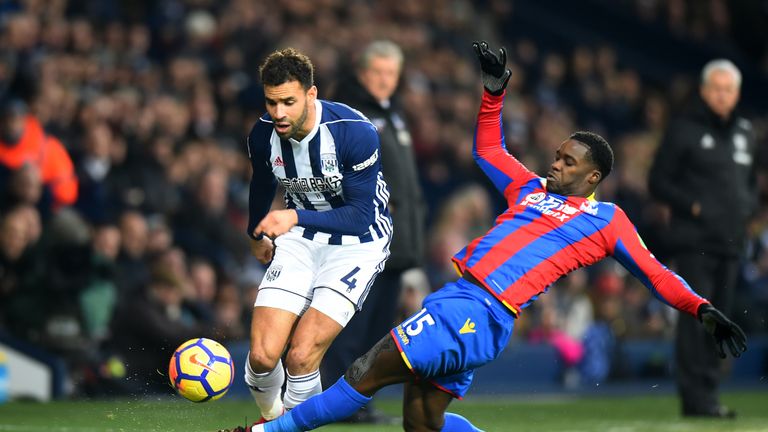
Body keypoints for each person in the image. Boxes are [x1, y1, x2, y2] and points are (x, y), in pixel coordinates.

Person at [219, 41, 747, 432]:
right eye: (557, 154)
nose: (554, 162)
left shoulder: (608, 220)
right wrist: (494, 93)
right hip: (466, 305)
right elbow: (488, 152)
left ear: (593, 177)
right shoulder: (529, 189)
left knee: (365, 370)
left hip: (480, 309)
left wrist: (701, 308)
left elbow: (654, 274)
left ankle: (267, 430)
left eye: (567, 161)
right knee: (421, 426)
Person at [241, 48, 392, 425]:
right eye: (271, 102)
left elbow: (360, 217)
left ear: (312, 94)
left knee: (301, 355)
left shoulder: (354, 132)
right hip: (300, 237)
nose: (278, 113)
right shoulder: (262, 135)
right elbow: (262, 182)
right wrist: (255, 231)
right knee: (261, 357)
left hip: (359, 245)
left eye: (288, 102)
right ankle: (272, 419)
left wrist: (290, 215)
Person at [320, 40, 426, 424]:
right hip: (366, 242)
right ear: (361, 73)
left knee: (377, 333)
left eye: (390, 74)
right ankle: (338, 402)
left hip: (395, 244)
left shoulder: (392, 115)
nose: (384, 80)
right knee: (351, 328)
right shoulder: (349, 114)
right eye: (377, 72)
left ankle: (358, 402)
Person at [648, 59, 757, 418]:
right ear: (704, 90)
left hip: (731, 242)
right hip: (695, 242)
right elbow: (658, 181)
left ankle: (709, 395)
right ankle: (694, 398)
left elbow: (750, 183)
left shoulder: (744, 131)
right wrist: (693, 207)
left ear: (737, 94)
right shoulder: (683, 129)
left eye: (729, 90)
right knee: (699, 320)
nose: (723, 96)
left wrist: (748, 207)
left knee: (723, 320)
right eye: (717, 89)